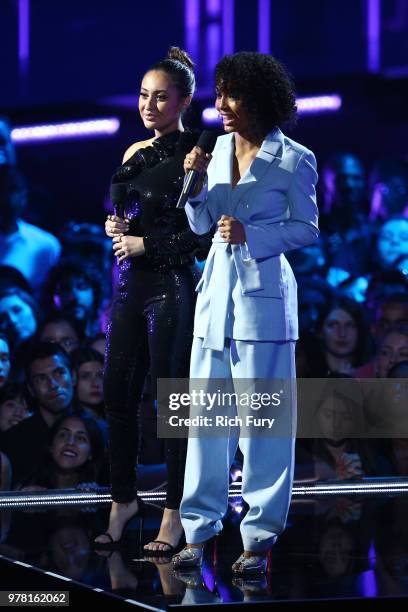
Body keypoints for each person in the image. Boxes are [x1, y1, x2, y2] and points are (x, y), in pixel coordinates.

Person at [172, 51, 319, 575]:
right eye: (218, 95)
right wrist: (193, 184)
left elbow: (308, 228)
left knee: (264, 427)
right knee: (207, 422)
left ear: (258, 97)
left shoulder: (295, 158)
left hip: (265, 303)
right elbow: (197, 225)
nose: (221, 106)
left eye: (231, 94)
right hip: (215, 301)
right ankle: (199, 529)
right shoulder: (212, 152)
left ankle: (257, 540)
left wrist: (254, 235)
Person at [94, 47, 211, 553]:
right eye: (144, 95)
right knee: (117, 395)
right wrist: (116, 228)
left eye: (160, 97)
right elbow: (128, 216)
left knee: (172, 401)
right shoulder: (132, 152)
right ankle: (122, 500)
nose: (149, 104)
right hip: (127, 284)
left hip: (170, 284)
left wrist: (148, 244)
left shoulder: (199, 151)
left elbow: (202, 236)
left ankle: (173, 510)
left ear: (183, 101)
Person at [0, 342, 77, 486]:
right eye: (41, 378)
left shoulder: (98, 431)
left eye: (59, 373)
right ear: (31, 389)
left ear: (73, 376)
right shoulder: (11, 442)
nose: (53, 384)